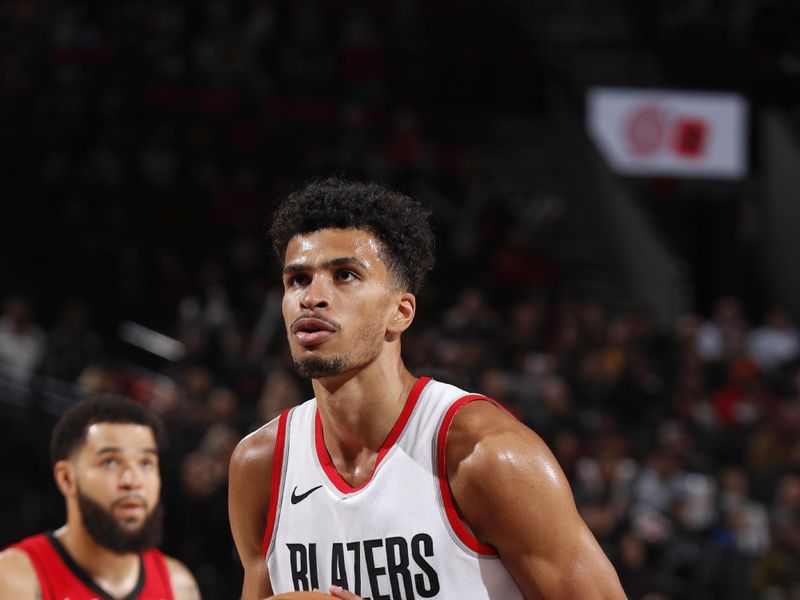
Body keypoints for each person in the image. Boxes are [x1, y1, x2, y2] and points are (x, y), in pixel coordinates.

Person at [228, 177, 627, 600]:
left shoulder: (487, 454)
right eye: (298, 280)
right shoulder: (260, 466)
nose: (313, 297)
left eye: (345, 275)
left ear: (400, 313)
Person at [0, 394, 201, 599]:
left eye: (146, 463)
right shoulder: (14, 577)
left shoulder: (179, 584)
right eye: (110, 462)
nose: (132, 480)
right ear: (67, 478)